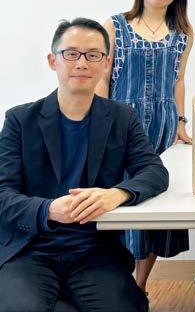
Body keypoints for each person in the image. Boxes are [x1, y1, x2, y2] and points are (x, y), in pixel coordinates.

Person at [0, 18, 169, 311]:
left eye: (93, 55)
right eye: (71, 54)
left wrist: (116, 194)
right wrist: (49, 209)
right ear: (53, 61)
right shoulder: (20, 120)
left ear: (106, 64)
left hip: (94, 251)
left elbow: (154, 171)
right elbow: (3, 193)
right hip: (30, 250)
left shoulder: (122, 117)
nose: (82, 63)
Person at [96, 0, 193, 293]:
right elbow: (103, 76)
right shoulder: (115, 25)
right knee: (121, 201)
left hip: (163, 128)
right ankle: (118, 285)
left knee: (156, 204)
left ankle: (140, 285)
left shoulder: (183, 32)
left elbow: (179, 80)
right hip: (120, 126)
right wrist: (101, 121)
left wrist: (180, 121)